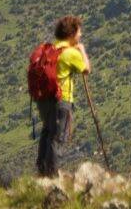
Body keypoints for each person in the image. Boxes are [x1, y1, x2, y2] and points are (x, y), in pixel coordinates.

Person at [34, 15, 90, 177]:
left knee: (47, 133)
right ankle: (51, 176)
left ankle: (42, 171)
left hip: (43, 100)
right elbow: (86, 69)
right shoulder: (70, 53)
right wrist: (82, 51)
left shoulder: (50, 50)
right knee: (58, 137)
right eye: (79, 33)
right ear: (72, 34)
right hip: (61, 100)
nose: (80, 36)